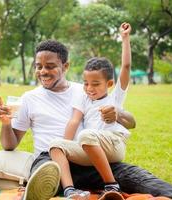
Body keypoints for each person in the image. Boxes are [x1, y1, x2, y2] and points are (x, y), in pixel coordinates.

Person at [0, 40, 172, 200]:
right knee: (45, 169)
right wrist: (7, 123)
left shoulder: (87, 89)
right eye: (38, 66)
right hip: (51, 159)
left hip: (88, 156)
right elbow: (10, 144)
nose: (43, 71)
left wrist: (117, 114)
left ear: (66, 66)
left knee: (132, 175)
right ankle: (52, 188)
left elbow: (131, 123)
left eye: (50, 66)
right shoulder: (29, 99)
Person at [49, 22, 132, 199]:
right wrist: (66, 146)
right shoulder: (84, 97)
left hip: (114, 145)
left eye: (95, 84)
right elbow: (74, 121)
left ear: (109, 84)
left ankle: (112, 185)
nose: (89, 88)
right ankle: (70, 190)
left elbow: (125, 67)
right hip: (90, 147)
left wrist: (125, 38)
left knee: (86, 135)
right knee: (55, 145)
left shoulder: (115, 97)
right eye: (86, 83)